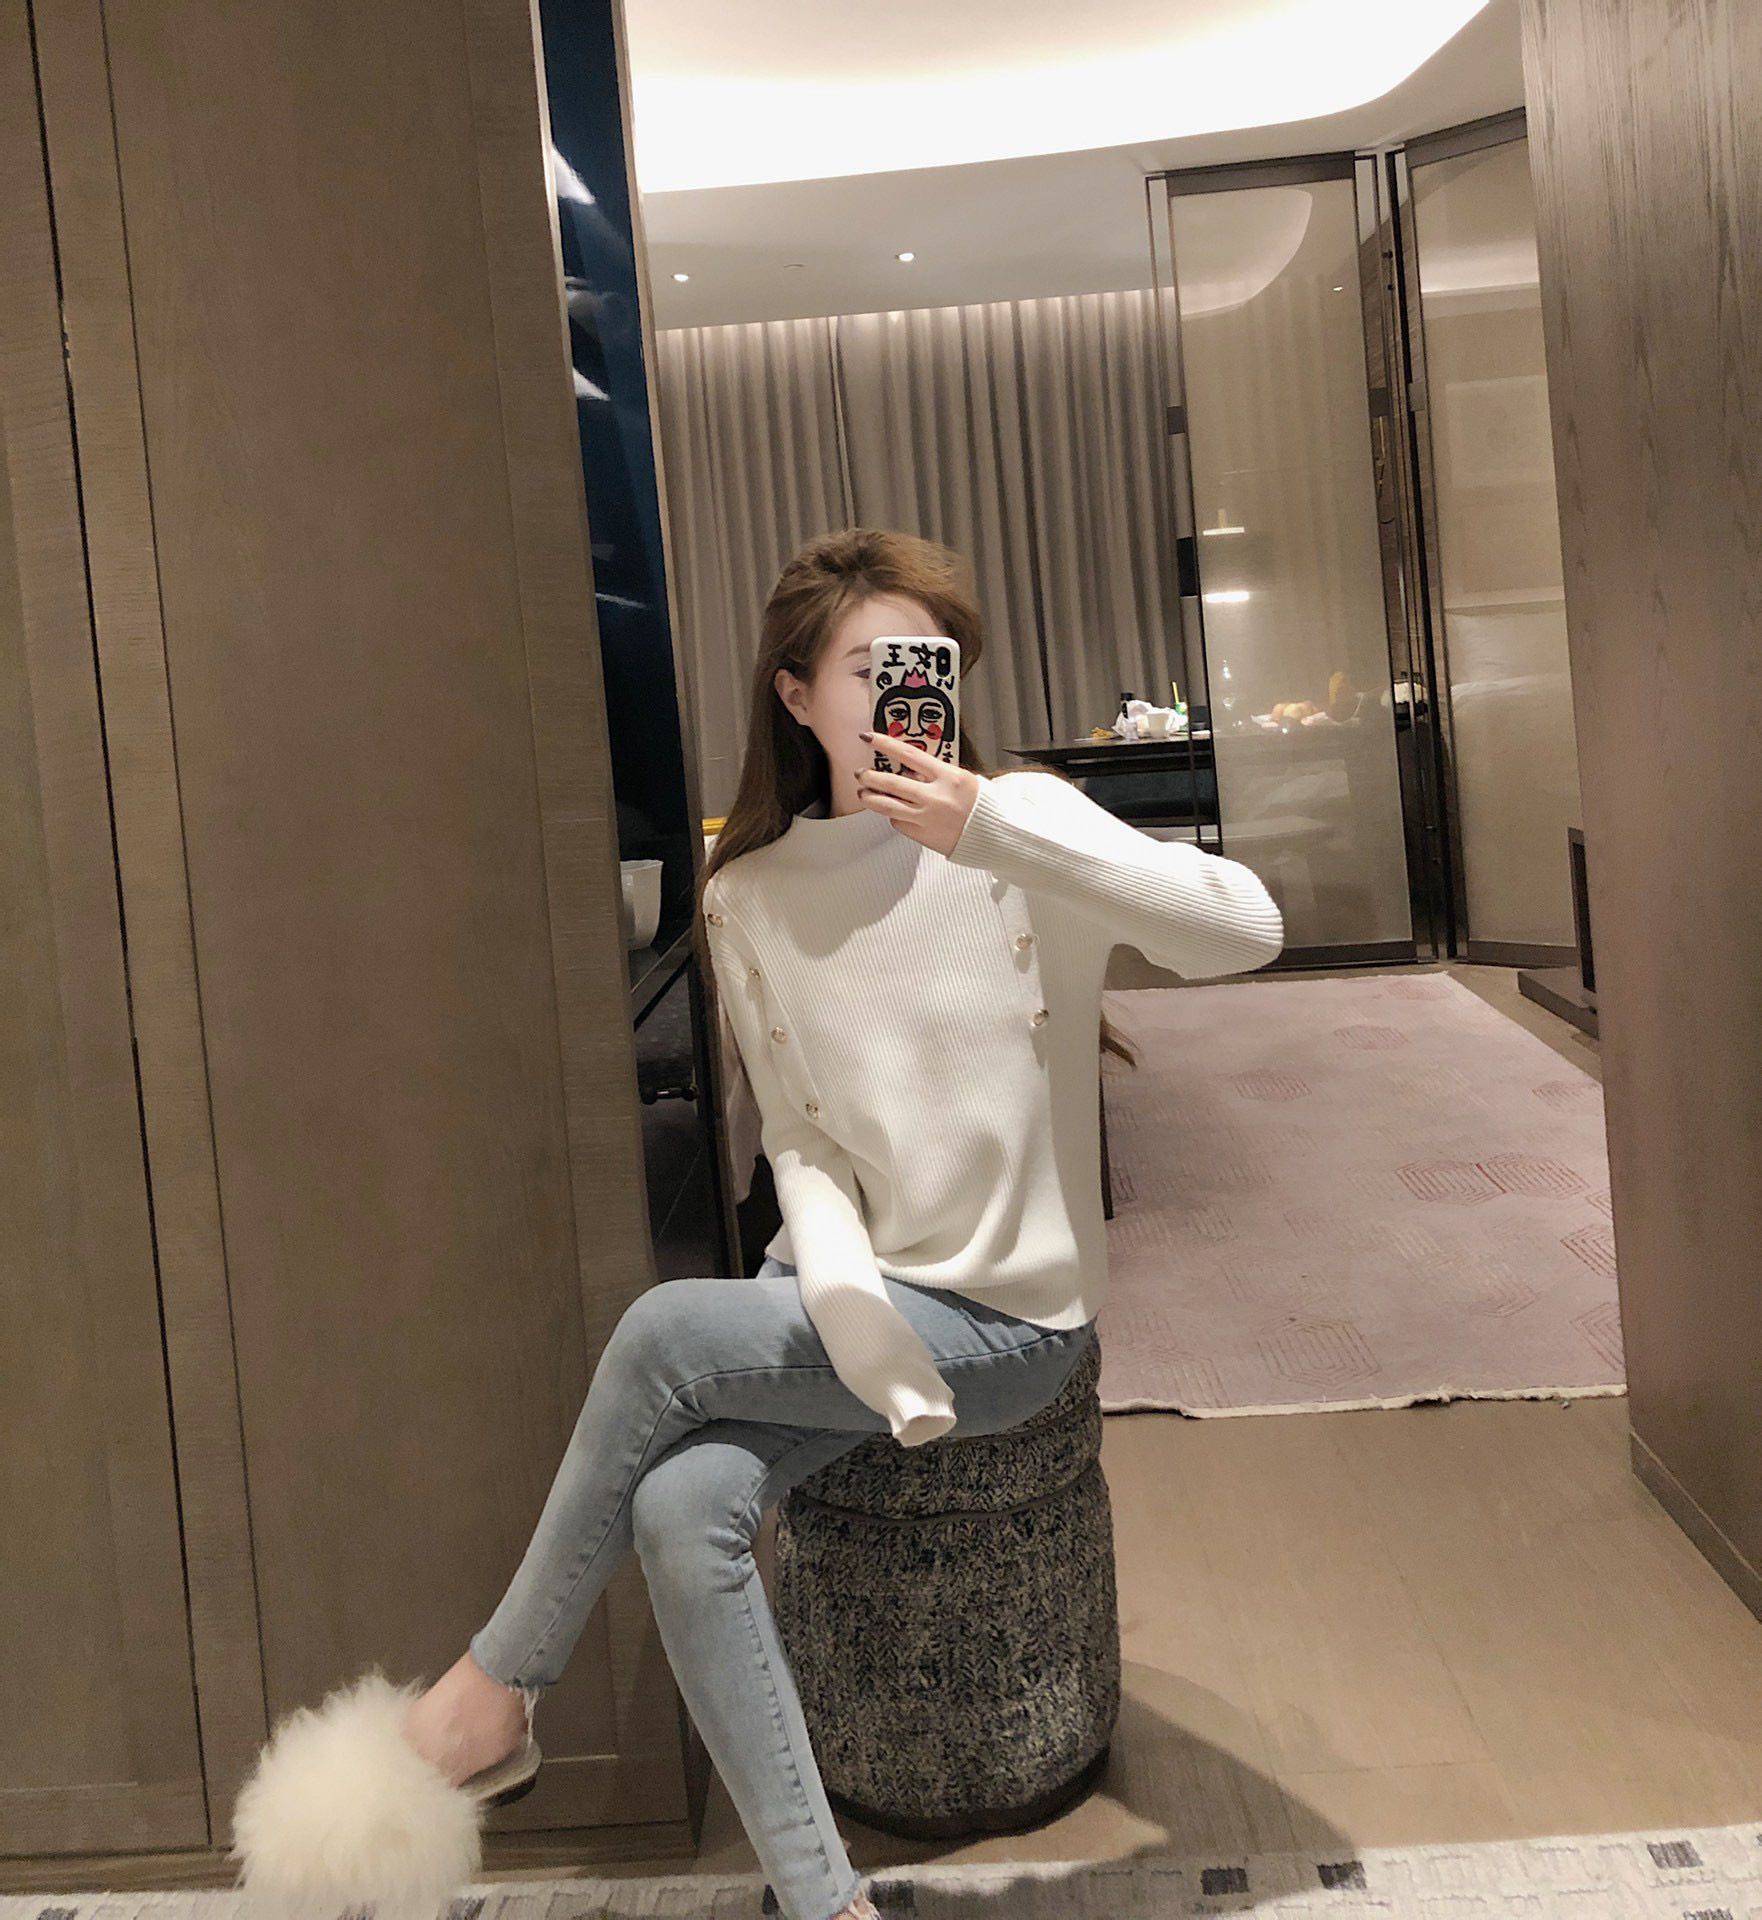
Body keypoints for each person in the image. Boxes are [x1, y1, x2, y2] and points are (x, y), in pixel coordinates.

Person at [229, 527, 1284, 1920]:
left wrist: (989, 827)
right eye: (868, 667)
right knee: (682, 1504)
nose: (906, 692)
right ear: (795, 695)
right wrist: (854, 1323)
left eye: (929, 663)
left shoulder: (1020, 828)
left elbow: (1245, 930)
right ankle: (824, 1900)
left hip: (1013, 1322)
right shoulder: (750, 898)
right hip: (859, 1305)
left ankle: (488, 1698)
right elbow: (802, 1143)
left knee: (664, 1329)